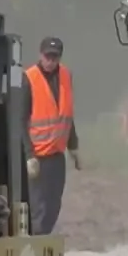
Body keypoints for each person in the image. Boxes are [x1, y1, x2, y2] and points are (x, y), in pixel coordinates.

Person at [24, 36, 80, 235]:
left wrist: (73, 147)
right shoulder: (29, 78)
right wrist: (29, 155)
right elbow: (20, 121)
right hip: (37, 158)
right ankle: (37, 245)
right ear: (41, 55)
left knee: (53, 206)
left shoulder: (65, 76)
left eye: (54, 57)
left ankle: (44, 238)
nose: (50, 61)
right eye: (47, 56)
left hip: (57, 156)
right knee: (38, 208)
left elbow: (66, 114)